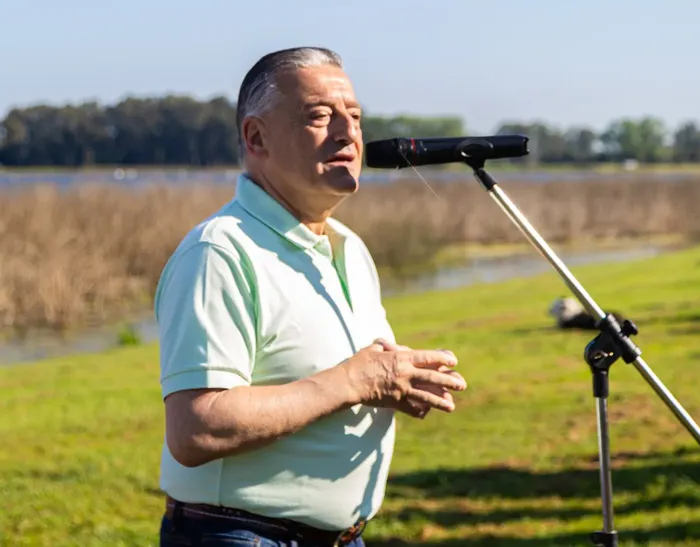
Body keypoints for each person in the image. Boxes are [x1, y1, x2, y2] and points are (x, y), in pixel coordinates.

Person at [154, 47, 468, 547]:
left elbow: (344, 375)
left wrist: (395, 381)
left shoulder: (348, 247)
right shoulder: (219, 251)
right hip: (242, 536)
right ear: (256, 137)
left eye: (356, 117)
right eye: (320, 116)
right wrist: (355, 381)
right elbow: (196, 429)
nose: (348, 133)